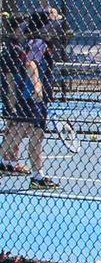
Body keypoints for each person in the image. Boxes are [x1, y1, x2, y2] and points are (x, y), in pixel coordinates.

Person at [0, 13, 58, 189]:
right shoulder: (33, 44)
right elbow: (30, 65)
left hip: (30, 97)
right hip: (31, 98)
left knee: (25, 133)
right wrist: (37, 87)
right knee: (30, 134)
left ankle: (36, 175)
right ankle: (37, 176)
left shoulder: (30, 43)